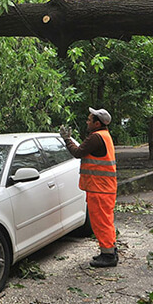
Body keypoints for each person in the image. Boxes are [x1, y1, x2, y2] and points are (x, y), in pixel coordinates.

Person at [59, 108, 118, 267]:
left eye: (89, 119)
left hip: (99, 188)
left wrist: (67, 139)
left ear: (97, 123)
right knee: (106, 220)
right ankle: (110, 250)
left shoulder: (96, 138)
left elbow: (78, 152)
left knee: (100, 222)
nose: (87, 121)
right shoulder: (104, 136)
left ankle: (108, 255)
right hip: (104, 187)